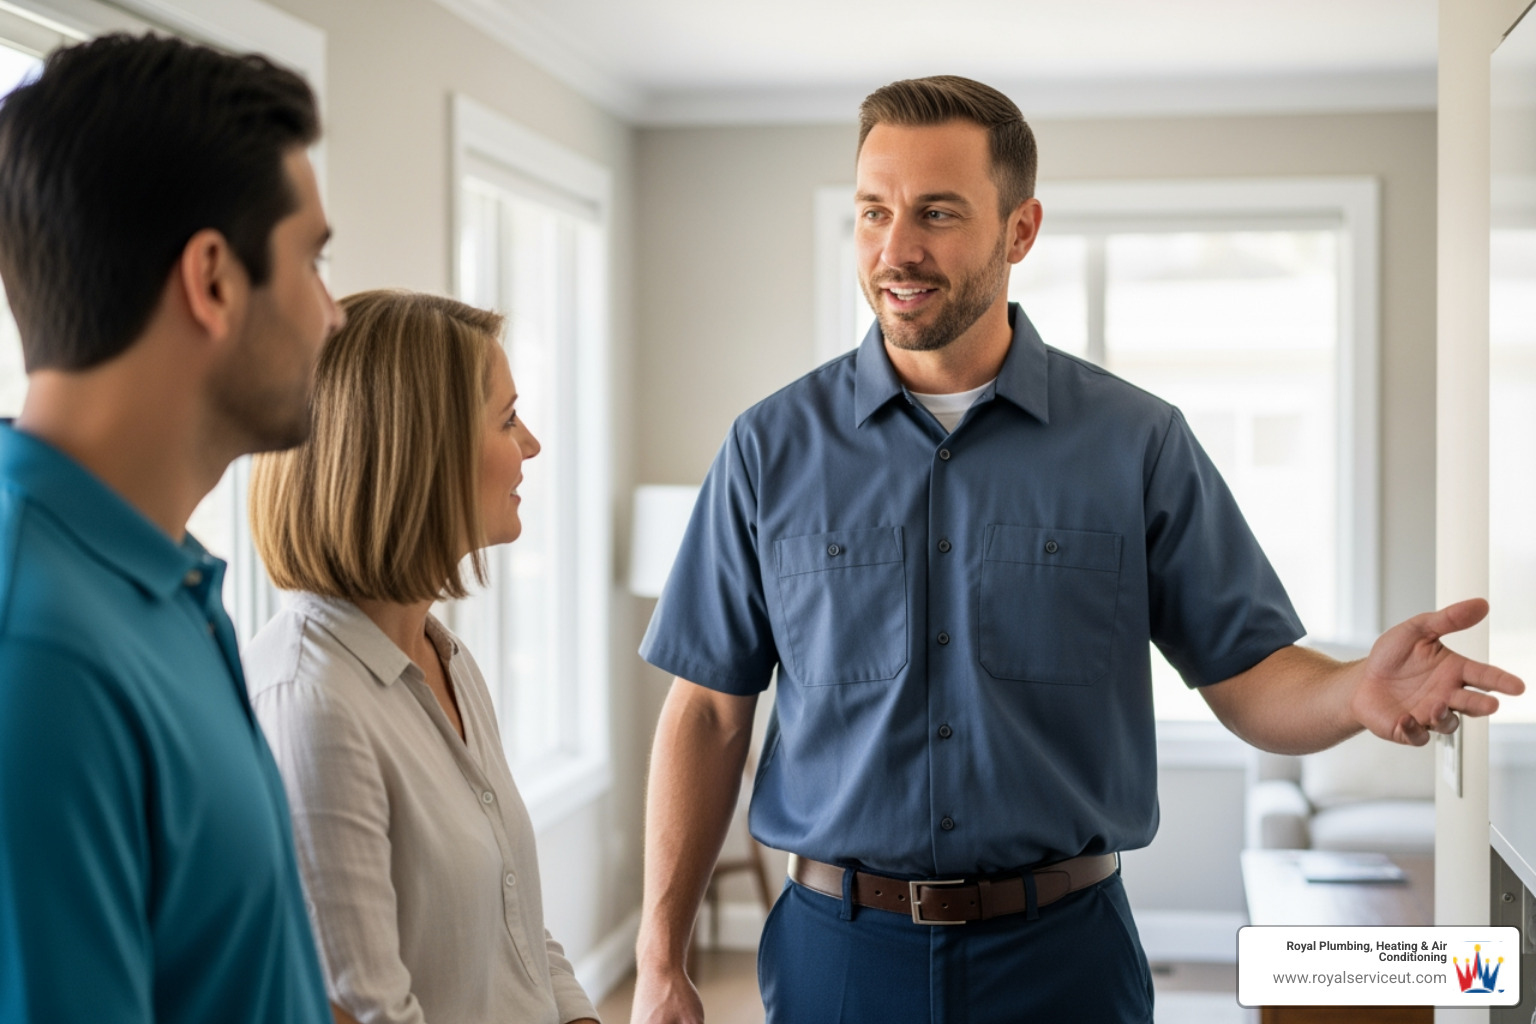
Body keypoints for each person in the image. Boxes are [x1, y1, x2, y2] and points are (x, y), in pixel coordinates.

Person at [631, 75, 1525, 1024]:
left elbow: (1247, 671)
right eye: (873, 212)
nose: (897, 249)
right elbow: (708, 717)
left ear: (1020, 231)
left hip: (1062, 963)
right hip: (839, 960)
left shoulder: (1137, 443)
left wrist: (1354, 690)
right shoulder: (769, 449)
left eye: (937, 212)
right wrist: (659, 957)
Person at [0, 32, 343, 1024]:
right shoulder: (40, 653)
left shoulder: (169, 587)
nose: (332, 313)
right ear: (213, 280)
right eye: (312, 261)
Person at [244, 289, 600, 1024]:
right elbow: (363, 1009)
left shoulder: (448, 659)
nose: (530, 443)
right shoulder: (311, 700)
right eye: (506, 420)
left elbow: (518, 928)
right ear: (420, 454)